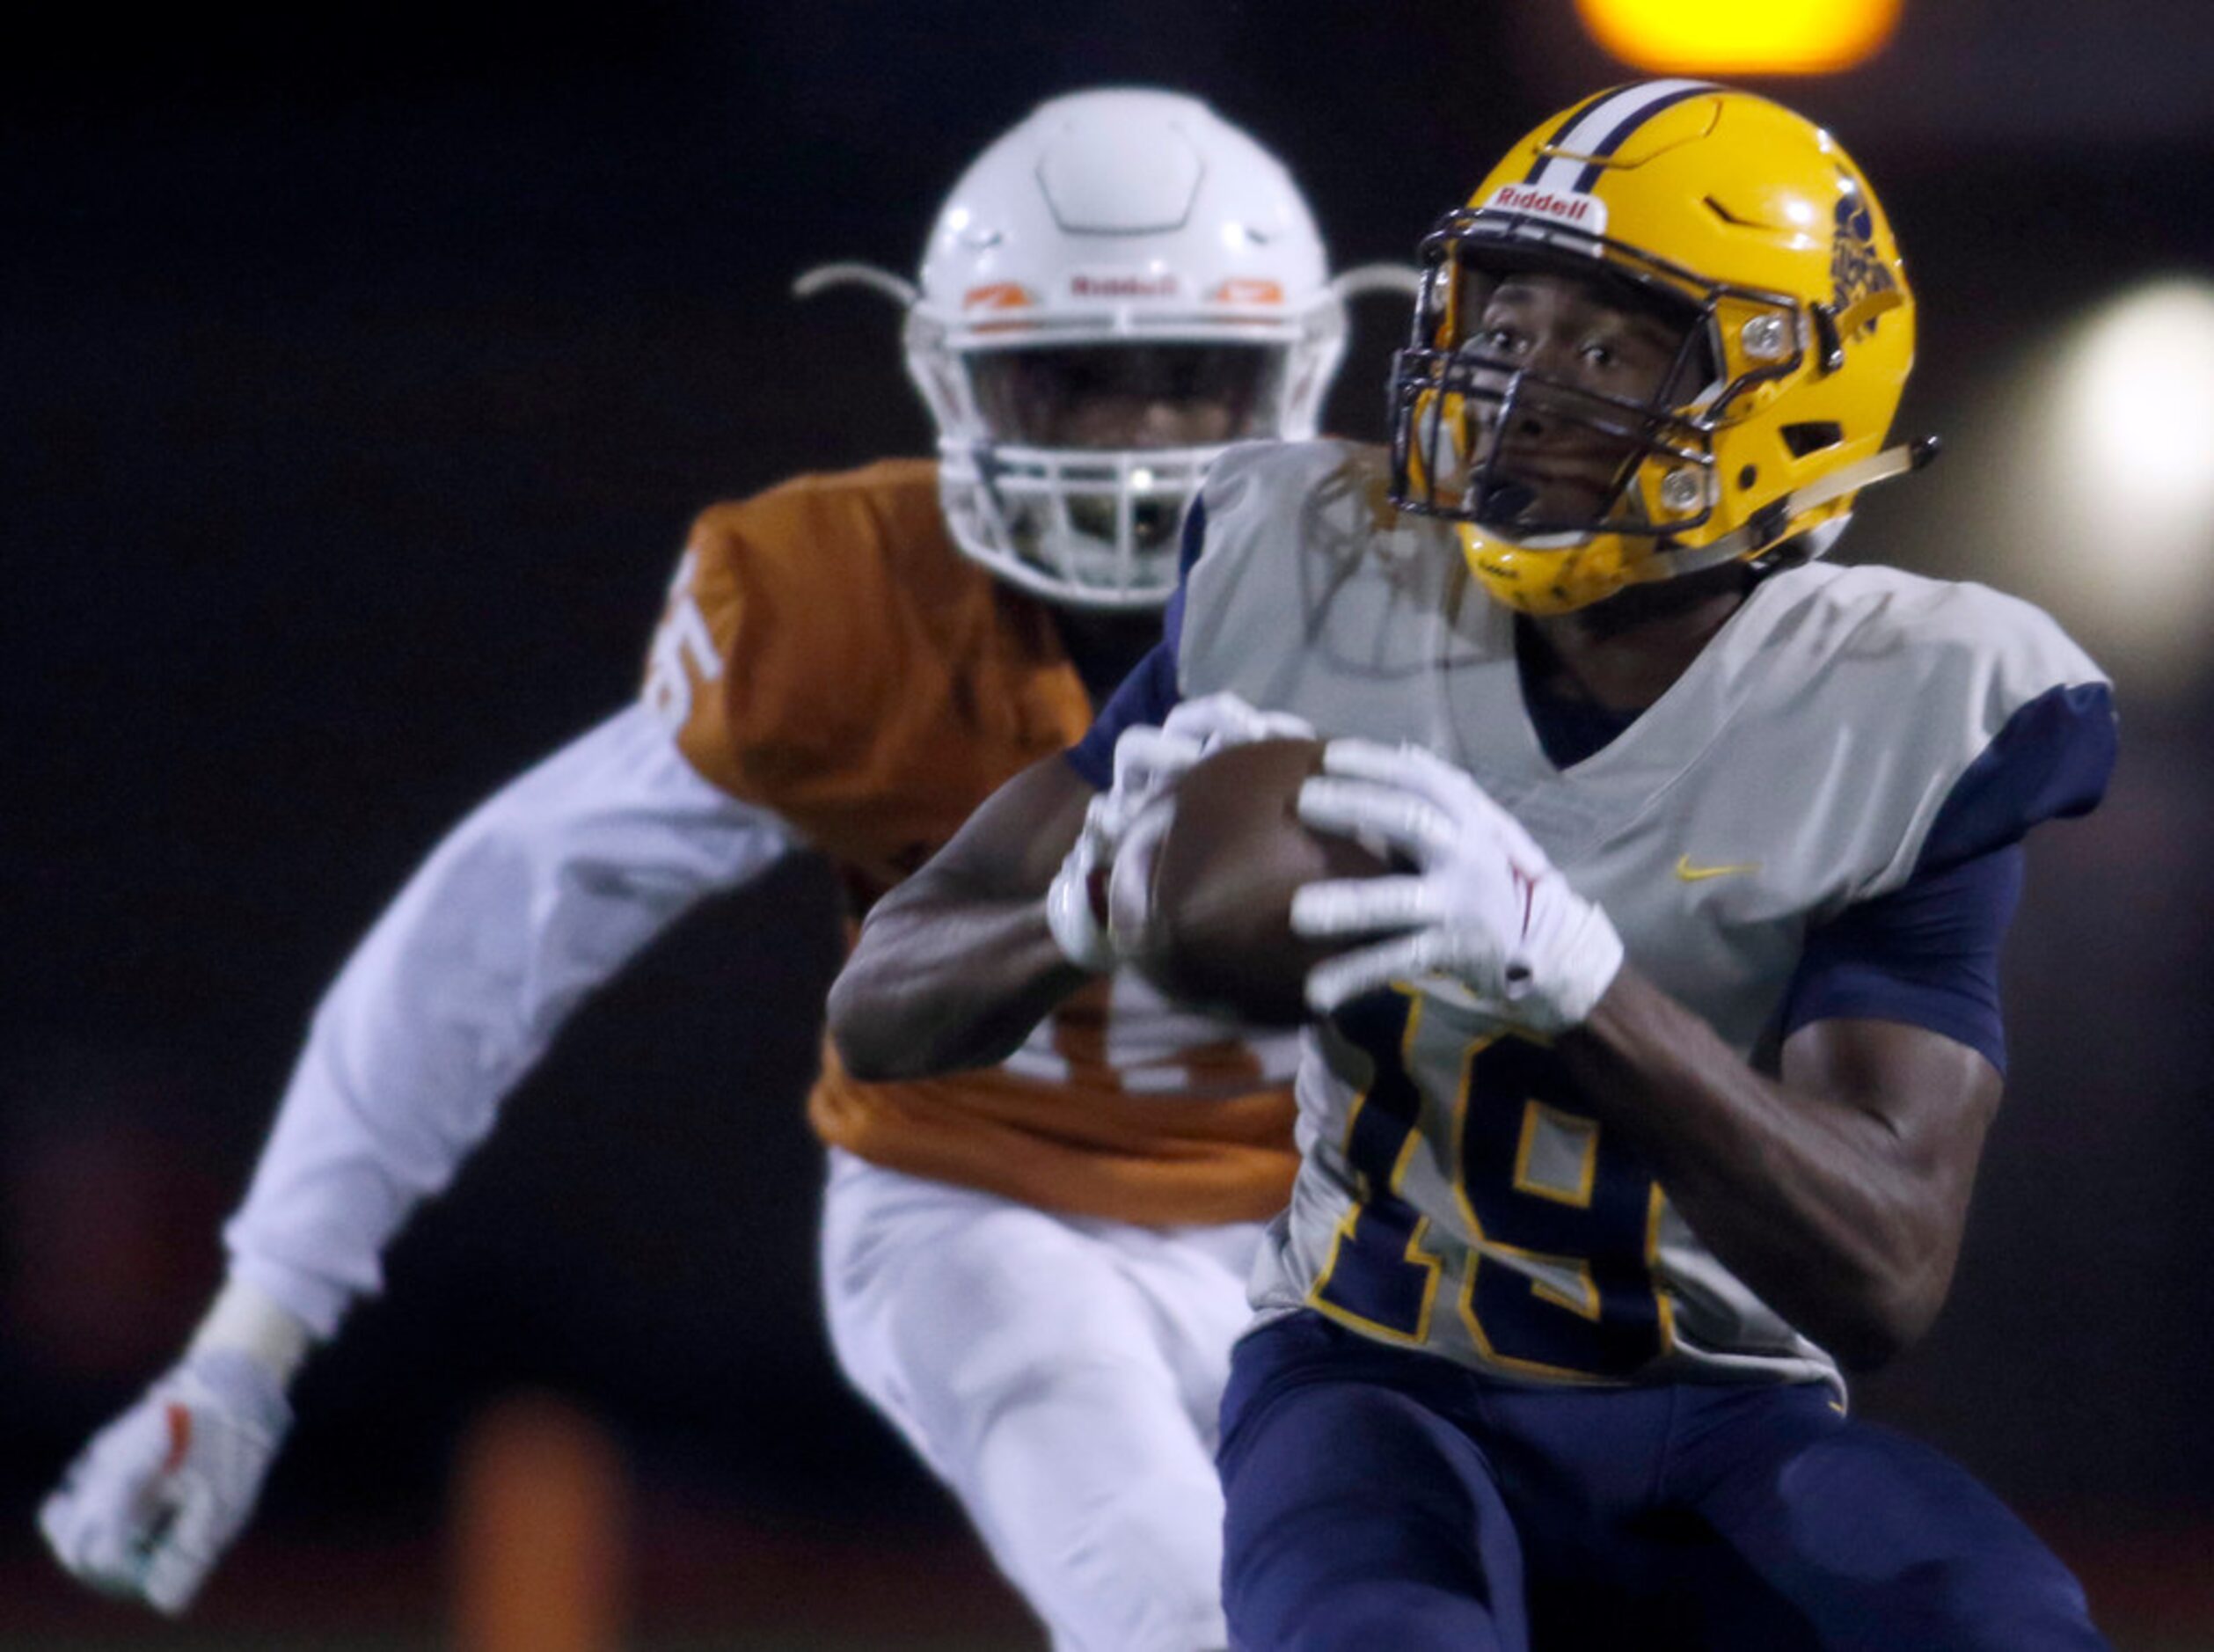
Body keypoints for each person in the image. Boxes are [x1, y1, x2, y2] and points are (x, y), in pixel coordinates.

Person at [40, 88, 1409, 1652]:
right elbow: (495, 918)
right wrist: (248, 1339)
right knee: (1183, 1608)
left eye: (1189, 378)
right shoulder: (837, 604)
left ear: (1300, 369)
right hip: (994, 1210)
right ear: (948, 377)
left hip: (1360, 1229)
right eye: (1073, 378)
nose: (1134, 440)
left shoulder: (1424, 591)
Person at [829, 80, 2120, 1647]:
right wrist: (1071, 908)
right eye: (1501, 318)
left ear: (1790, 383)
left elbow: (1886, 1270)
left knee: (1997, 1625)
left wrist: (1575, 977)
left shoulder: (1911, 700)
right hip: (1376, 1377)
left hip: (1715, 1410)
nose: (1512, 383)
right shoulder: (1318, 568)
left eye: (1604, 345)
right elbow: (882, 1005)